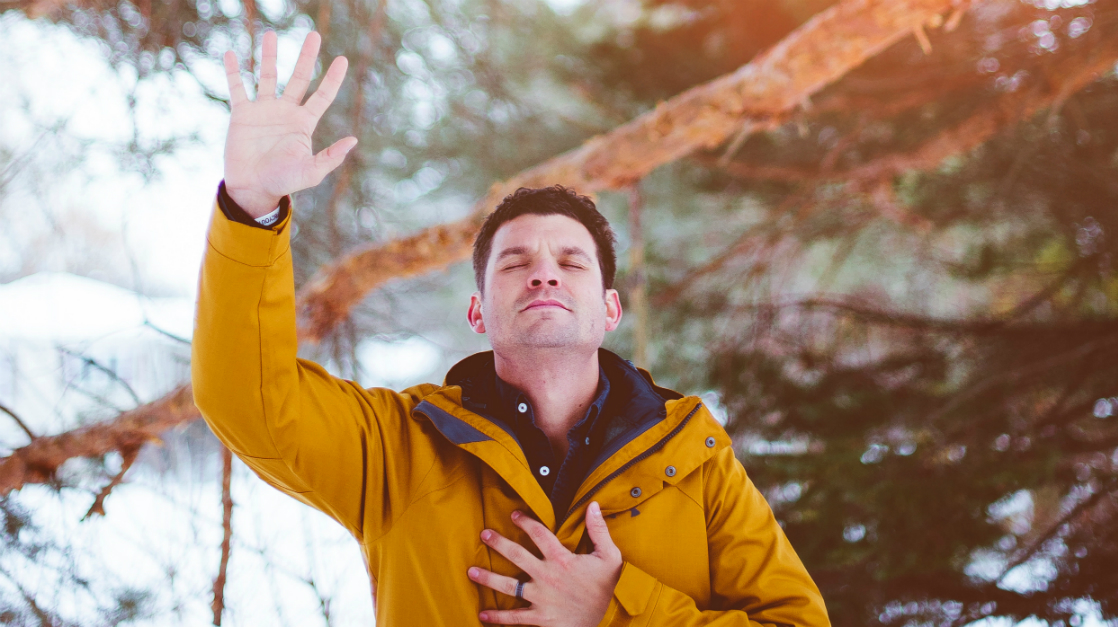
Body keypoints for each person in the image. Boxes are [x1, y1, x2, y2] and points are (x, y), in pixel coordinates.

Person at [193, 29, 829, 627]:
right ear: (478, 313)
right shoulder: (396, 451)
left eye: (571, 263)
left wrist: (615, 609)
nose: (544, 276)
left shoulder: (693, 456)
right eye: (516, 263)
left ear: (610, 310)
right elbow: (246, 397)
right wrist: (250, 209)